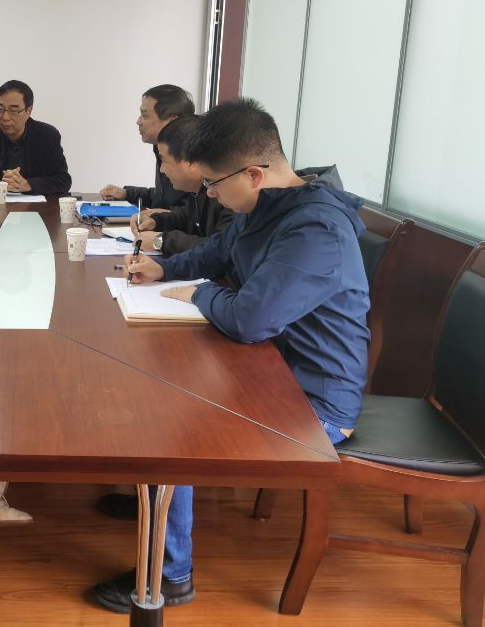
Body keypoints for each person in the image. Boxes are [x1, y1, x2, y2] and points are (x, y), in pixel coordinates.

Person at [91, 98, 370, 613]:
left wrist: (199, 293)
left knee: (172, 427)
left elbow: (249, 319)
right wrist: (164, 269)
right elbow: (217, 252)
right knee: (158, 387)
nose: (211, 194)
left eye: (215, 184)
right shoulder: (265, 206)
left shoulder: (316, 228)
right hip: (267, 370)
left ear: (254, 174)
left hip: (313, 404)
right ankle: (156, 502)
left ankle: (169, 577)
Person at [127, 115, 234, 256]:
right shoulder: (199, 190)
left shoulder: (229, 197)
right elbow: (186, 218)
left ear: (192, 163)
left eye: (164, 160)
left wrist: (160, 241)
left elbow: (219, 249)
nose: (162, 169)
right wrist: (155, 221)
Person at [0, 80, 72, 195]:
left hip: (36, 204)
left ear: (29, 111)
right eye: (0, 109)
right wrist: (2, 186)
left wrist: (27, 185)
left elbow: (63, 180)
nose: (5, 117)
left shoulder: (47, 135)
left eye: (13, 110)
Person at [100, 84, 195, 208]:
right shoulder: (160, 147)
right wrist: (126, 193)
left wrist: (163, 216)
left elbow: (190, 213)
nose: (138, 121)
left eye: (145, 115)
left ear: (172, 121)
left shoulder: (192, 155)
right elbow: (162, 199)